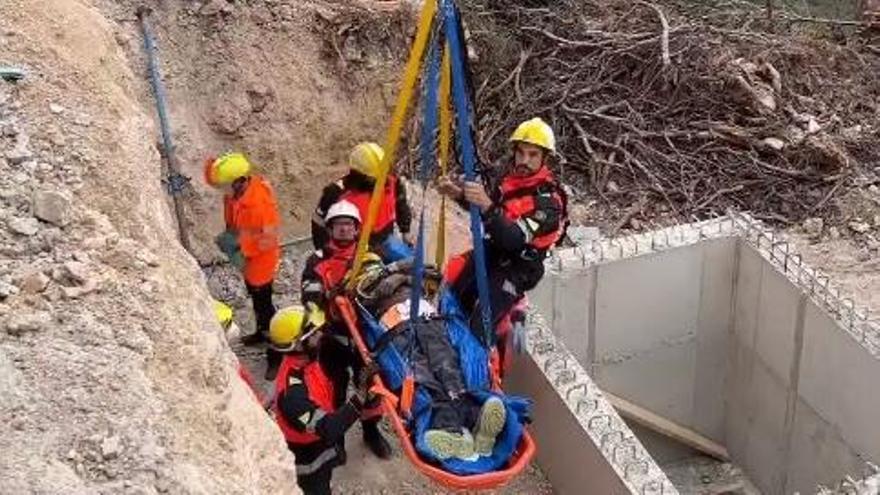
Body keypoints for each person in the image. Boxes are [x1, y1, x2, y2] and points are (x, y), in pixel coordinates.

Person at [352, 257, 509, 460]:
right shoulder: (364, 289)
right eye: (371, 269)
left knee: (451, 369)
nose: (376, 272)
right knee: (424, 380)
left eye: (377, 267)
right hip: (401, 331)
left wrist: (398, 273)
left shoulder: (404, 275)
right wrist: (394, 277)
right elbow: (366, 296)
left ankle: (475, 423)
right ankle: (452, 430)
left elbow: (426, 267)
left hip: (429, 323)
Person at [437, 117, 567, 348]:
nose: (524, 160)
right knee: (457, 294)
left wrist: (486, 205)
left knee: (480, 326)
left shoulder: (548, 205)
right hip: (494, 250)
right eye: (521, 153)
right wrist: (459, 195)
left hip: (519, 267)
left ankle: (486, 365)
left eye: (533, 155)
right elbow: (493, 211)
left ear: (545, 158)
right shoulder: (509, 182)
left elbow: (514, 239)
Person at [300, 200, 393, 459]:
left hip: (365, 335)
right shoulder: (317, 261)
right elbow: (310, 298)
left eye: (348, 225)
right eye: (338, 225)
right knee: (334, 388)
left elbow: (382, 288)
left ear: (356, 229)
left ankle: (371, 431)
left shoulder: (369, 255)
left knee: (372, 386)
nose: (344, 230)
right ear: (330, 230)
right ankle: (336, 437)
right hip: (334, 337)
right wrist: (328, 297)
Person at [270, 304, 377, 495]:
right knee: (318, 488)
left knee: (327, 468)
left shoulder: (306, 359)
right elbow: (329, 428)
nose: (320, 336)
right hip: (307, 457)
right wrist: (360, 396)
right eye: (314, 333)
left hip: (320, 442)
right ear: (298, 344)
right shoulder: (293, 398)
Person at [205, 152, 282, 380]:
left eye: (225, 185)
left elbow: (268, 239)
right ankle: (260, 333)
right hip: (249, 258)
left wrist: (240, 248)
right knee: (256, 299)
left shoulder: (258, 204)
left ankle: (276, 352)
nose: (221, 190)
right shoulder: (236, 194)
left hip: (260, 262)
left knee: (265, 305)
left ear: (238, 181)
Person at [310, 142, 413, 262]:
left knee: (414, 267)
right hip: (353, 250)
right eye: (374, 179)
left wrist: (405, 231)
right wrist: (327, 254)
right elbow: (318, 224)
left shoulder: (392, 182)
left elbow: (401, 204)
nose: (381, 181)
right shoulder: (335, 193)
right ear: (359, 175)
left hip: (386, 241)